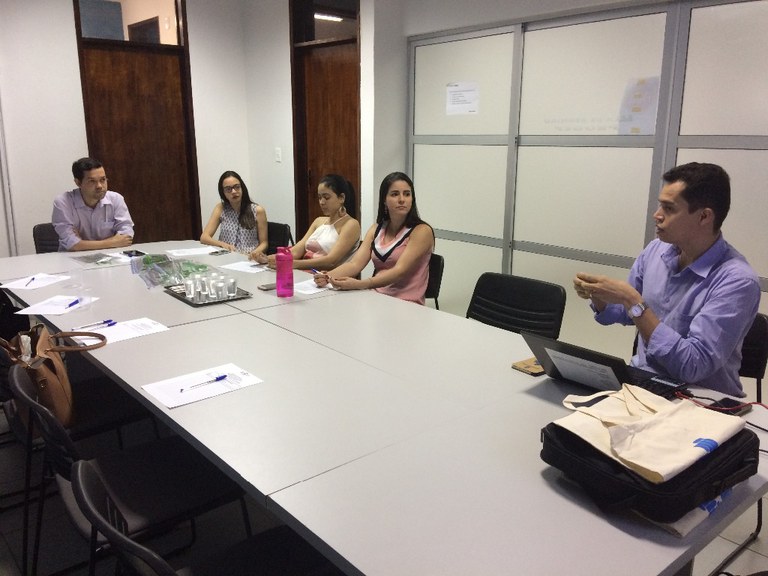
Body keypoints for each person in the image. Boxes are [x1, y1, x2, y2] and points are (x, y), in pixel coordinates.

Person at [573, 162, 760, 397]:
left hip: (700, 400)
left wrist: (632, 301)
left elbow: (693, 365)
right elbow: (626, 314)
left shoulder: (737, 281)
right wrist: (601, 297)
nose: (657, 215)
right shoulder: (656, 250)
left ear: (704, 216)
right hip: (643, 383)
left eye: (669, 208)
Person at [314, 172, 434, 304]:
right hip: (377, 298)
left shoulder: (422, 231)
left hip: (407, 304)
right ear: (384, 200)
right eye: (395, 194)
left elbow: (399, 271)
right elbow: (355, 264)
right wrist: (328, 276)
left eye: (407, 194)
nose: (402, 199)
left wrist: (360, 284)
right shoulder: (376, 229)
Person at [259, 174, 360, 271]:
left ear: (341, 198)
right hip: (304, 272)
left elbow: (331, 261)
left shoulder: (351, 224)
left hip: (327, 276)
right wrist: (269, 258)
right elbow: (296, 251)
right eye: (319, 197)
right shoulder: (319, 221)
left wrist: (293, 264)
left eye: (326, 197)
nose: (322, 202)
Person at [52, 157, 135, 251]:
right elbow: (73, 244)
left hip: (110, 256)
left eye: (103, 180)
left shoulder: (116, 199)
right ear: (78, 182)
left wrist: (82, 243)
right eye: (92, 181)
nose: (99, 186)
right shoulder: (63, 202)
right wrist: (113, 242)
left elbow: (127, 236)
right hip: (73, 258)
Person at [200, 170, 268, 259]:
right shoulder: (221, 208)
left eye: (237, 187)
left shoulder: (258, 210)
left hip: (248, 258)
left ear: (242, 188)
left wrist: (255, 253)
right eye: (228, 189)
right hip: (226, 257)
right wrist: (223, 244)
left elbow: (264, 243)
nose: (233, 191)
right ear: (223, 193)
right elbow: (204, 237)